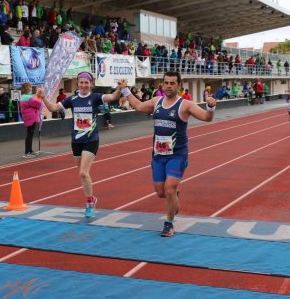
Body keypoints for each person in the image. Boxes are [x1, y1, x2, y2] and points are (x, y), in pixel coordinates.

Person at [119, 71, 216, 237]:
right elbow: (139, 106)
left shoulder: (186, 105)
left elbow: (206, 118)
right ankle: (174, 197)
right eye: (166, 83)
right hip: (158, 155)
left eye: (172, 83)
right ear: (162, 85)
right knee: (161, 192)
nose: (169, 86)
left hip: (177, 155)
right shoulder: (156, 102)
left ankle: (169, 223)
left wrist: (210, 106)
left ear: (179, 85)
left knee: (169, 188)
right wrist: (125, 90)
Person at [37, 71, 122, 218]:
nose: (84, 85)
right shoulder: (72, 99)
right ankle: (92, 198)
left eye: (86, 82)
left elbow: (113, 97)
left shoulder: (95, 98)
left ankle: (89, 203)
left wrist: (120, 88)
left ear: (91, 84)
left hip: (91, 139)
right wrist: (44, 97)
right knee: (83, 174)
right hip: (76, 141)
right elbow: (52, 108)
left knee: (83, 172)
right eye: (81, 82)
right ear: (78, 83)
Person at [19, 82, 42, 158]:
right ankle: (27, 152)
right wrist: (39, 96)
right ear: (27, 88)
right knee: (29, 134)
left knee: (30, 134)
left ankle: (30, 150)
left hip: (27, 117)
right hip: (31, 117)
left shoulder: (23, 96)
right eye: (30, 87)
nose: (32, 88)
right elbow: (38, 104)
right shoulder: (29, 97)